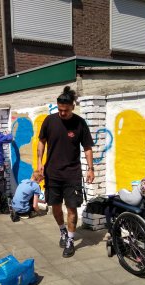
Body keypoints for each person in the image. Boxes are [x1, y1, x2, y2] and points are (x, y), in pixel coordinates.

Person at [37, 86, 95, 258]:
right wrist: (39, 162)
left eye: (66, 110)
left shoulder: (80, 123)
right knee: (55, 207)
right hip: (52, 173)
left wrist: (90, 169)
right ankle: (62, 230)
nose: (62, 113)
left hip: (72, 173)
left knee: (71, 209)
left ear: (72, 107)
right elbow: (41, 142)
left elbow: (87, 148)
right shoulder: (49, 121)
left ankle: (70, 240)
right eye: (59, 109)